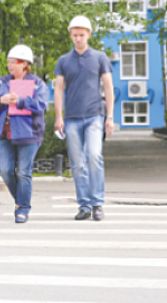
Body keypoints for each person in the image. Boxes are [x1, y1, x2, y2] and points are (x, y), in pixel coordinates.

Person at [54, 15, 114, 221]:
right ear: (70, 35)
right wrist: (58, 116)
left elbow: (108, 87)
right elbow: (59, 89)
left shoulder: (99, 58)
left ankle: (97, 204)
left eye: (82, 34)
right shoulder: (63, 61)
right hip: (71, 118)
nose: (78, 38)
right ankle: (84, 206)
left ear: (89, 34)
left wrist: (110, 117)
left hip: (94, 116)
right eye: (75, 35)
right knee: (77, 163)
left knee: (94, 156)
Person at [0, 45, 49, 223]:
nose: (9, 65)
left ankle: (23, 209)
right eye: (9, 62)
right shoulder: (1, 82)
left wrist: (20, 101)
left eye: (13, 62)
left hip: (29, 134)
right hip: (6, 133)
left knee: (23, 172)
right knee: (5, 171)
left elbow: (41, 105)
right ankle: (20, 202)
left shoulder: (37, 84)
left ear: (25, 64)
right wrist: (0, 100)